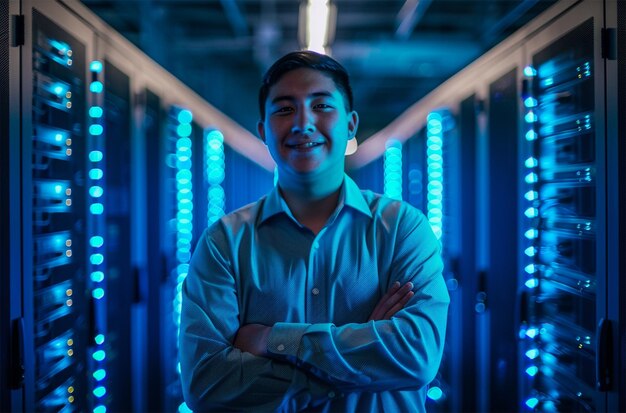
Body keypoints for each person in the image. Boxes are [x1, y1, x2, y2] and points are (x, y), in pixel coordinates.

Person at [179, 50, 449, 412]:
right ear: (263, 130)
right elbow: (205, 385)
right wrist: (361, 358)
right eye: (285, 109)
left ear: (351, 125)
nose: (303, 123)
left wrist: (270, 339)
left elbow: (416, 357)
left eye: (321, 106)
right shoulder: (223, 244)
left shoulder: (402, 228)